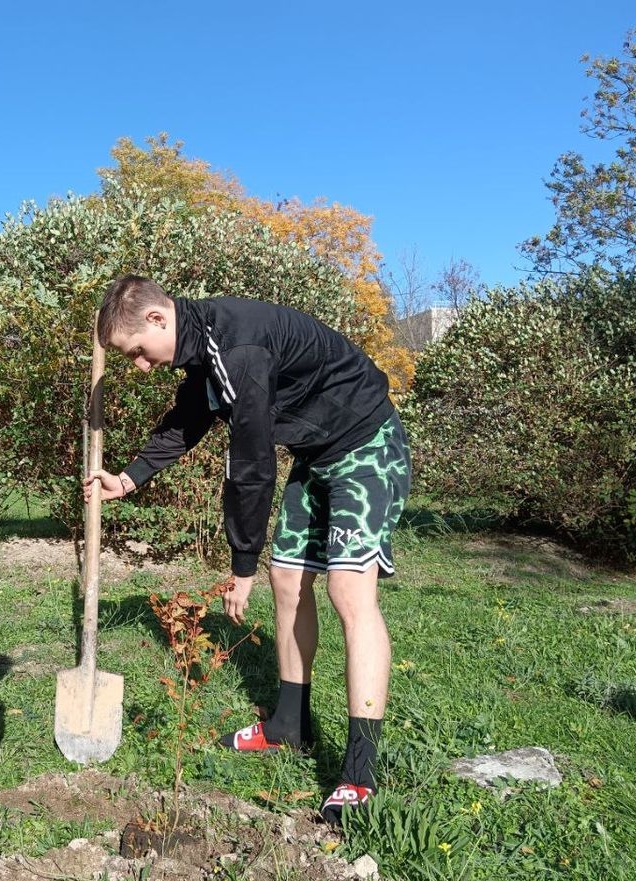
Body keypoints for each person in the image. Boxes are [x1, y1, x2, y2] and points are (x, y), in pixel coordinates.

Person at [84, 276, 410, 825]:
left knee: (349, 591)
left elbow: (253, 465)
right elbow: (190, 417)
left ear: (159, 319)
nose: (139, 365)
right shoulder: (204, 345)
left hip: (364, 444)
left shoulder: (239, 349)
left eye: (137, 350)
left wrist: (241, 565)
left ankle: (360, 773)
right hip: (317, 452)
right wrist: (131, 477)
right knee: (288, 578)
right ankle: (289, 725)